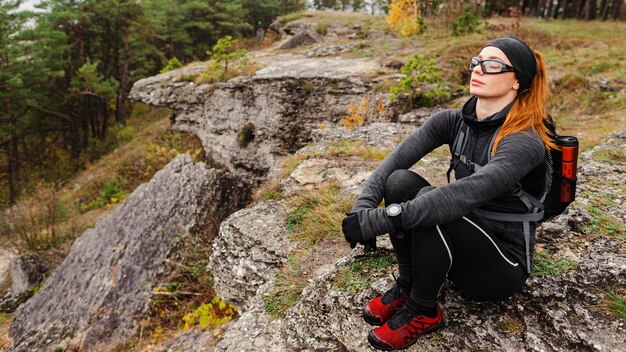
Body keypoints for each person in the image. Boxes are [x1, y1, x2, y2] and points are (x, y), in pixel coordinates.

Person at [341, 36, 557, 351]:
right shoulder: (453, 122)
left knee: (433, 205)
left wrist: (382, 219)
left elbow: (461, 196)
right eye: (477, 61)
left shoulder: (524, 140)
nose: (479, 69)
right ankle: (410, 282)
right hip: (460, 239)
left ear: (517, 81)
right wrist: (362, 210)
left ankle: (423, 309)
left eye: (493, 65)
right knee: (400, 181)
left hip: (498, 267)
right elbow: (394, 164)